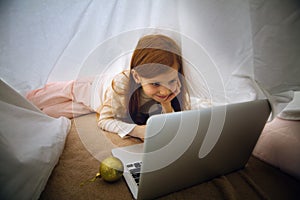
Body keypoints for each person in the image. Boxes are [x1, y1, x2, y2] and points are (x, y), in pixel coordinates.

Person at [26, 34, 191, 141]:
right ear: (137, 77)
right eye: (155, 84)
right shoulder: (122, 84)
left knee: (43, 115)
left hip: (95, 105)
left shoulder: (173, 90)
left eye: (170, 81)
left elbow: (170, 123)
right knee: (32, 101)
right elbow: (104, 121)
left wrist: (167, 104)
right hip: (88, 89)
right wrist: (138, 131)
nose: (164, 91)